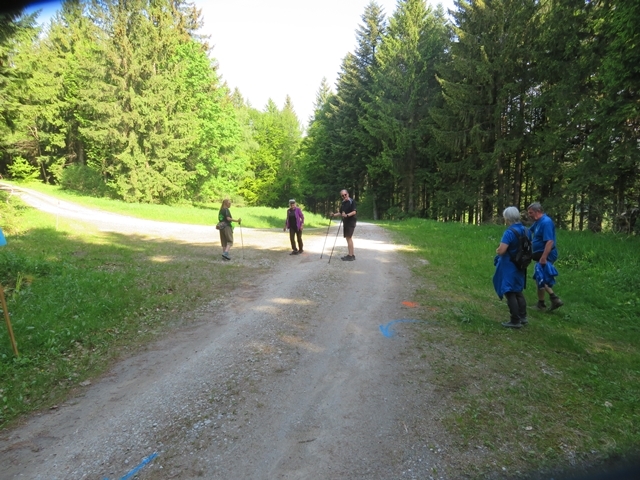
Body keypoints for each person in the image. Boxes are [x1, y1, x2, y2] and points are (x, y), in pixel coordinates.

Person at [493, 206, 528, 328]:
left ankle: (515, 320)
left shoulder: (509, 232)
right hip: (521, 264)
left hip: (509, 265)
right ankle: (523, 317)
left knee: (509, 291)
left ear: (507, 218)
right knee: (518, 291)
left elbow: (502, 250)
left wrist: (497, 250)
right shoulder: (526, 230)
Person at [527, 202, 563, 311]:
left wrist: (544, 257)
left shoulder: (546, 222)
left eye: (531, 213)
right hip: (539, 254)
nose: (529, 215)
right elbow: (529, 231)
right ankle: (542, 303)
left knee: (541, 276)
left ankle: (554, 299)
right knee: (539, 276)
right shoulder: (538, 222)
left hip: (547, 254)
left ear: (538, 211)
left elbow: (549, 241)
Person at [331, 189, 357, 261]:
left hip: (351, 221)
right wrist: (334, 215)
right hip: (346, 222)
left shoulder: (352, 201)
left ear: (348, 194)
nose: (344, 196)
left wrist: (347, 215)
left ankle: (350, 256)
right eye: (342, 195)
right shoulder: (343, 202)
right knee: (348, 238)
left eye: (345, 194)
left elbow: (354, 212)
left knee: (349, 237)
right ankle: (351, 255)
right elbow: (340, 212)